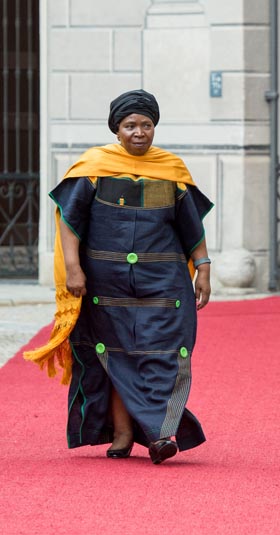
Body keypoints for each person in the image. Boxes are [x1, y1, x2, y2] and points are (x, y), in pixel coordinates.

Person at [24, 89, 212, 465]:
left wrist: (203, 268)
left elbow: (191, 227)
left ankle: (160, 433)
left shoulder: (172, 171)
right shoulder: (93, 168)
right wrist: (73, 269)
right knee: (113, 355)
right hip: (105, 284)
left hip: (164, 284)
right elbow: (70, 223)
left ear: (154, 127)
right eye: (130, 126)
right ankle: (125, 433)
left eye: (146, 125)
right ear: (116, 129)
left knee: (162, 353)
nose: (139, 132)